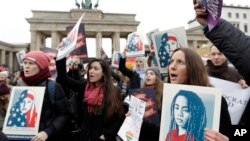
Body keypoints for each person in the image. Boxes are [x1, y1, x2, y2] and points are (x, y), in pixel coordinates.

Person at [193, 0, 250, 128]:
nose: (216, 57)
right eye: (213, 54)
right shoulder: (202, 73)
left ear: (225, 54)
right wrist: (213, 24)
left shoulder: (238, 75)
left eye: (220, 54)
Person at [167, 48, 231, 141]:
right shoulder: (165, 98)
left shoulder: (218, 102)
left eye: (180, 62)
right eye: (171, 61)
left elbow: (229, 134)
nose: (172, 66)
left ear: (193, 69)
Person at [56, 56, 125, 141]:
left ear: (103, 73)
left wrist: (106, 134)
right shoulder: (84, 87)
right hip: (85, 136)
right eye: (90, 68)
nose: (91, 71)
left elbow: (119, 116)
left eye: (96, 69)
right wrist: (61, 55)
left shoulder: (114, 91)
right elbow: (63, 78)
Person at [16, 51, 69, 141]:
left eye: (31, 63)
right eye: (25, 63)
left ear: (41, 67)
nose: (26, 66)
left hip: (45, 137)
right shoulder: (19, 85)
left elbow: (64, 114)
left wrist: (47, 132)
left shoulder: (53, 87)